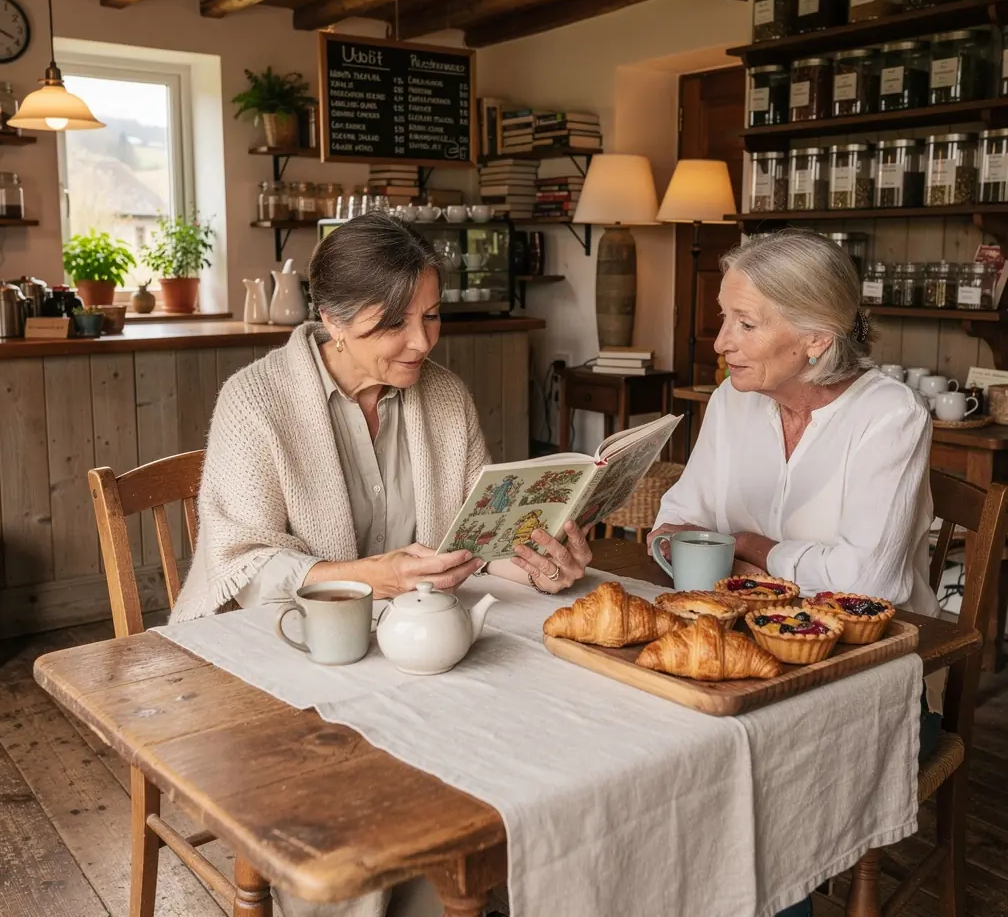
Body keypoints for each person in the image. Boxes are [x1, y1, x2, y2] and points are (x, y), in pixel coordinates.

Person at [170, 211, 592, 917]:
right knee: (358, 814)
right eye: (391, 326)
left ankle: (479, 885)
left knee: (542, 756)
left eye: (431, 317)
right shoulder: (256, 401)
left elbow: (474, 542)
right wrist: (377, 576)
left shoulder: (444, 394)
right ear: (332, 320)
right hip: (288, 653)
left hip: (416, 652)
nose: (421, 343)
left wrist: (541, 561)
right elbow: (243, 566)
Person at [650, 231, 942, 917]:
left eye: (745, 324)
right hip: (740, 662)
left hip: (873, 687)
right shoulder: (733, 401)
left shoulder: (888, 415)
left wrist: (749, 544)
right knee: (654, 765)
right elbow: (675, 522)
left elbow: (866, 587)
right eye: (725, 318)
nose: (721, 341)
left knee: (751, 788)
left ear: (815, 338)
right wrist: (698, 546)